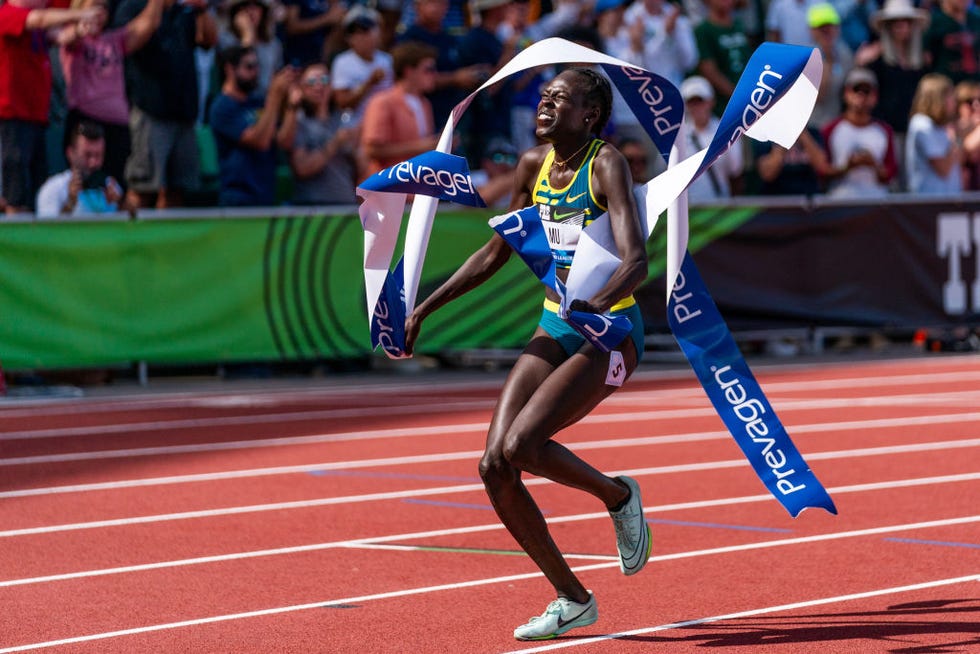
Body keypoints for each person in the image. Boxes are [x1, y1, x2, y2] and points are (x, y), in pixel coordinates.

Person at [403, 67, 650, 641]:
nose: (545, 104)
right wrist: (424, 308)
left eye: (559, 99)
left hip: (611, 329)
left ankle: (618, 495)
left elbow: (637, 258)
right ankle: (572, 597)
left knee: (524, 445)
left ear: (589, 116)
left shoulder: (606, 164)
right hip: (556, 322)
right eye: (543, 97)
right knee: (494, 464)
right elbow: (495, 252)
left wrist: (599, 301)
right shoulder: (532, 167)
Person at [112, 0, 218, 209]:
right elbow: (132, 41)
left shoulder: (185, 11)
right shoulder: (132, 7)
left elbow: (208, 40)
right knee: (143, 188)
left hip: (183, 112)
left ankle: (167, 240)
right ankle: (130, 238)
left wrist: (202, 8)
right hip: (150, 110)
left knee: (178, 188)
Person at [0, 0, 103, 214]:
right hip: (13, 117)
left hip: (35, 117)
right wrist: (79, 15)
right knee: (15, 194)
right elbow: (39, 19)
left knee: (35, 191)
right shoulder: (8, 13)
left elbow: (59, 36)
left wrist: (80, 29)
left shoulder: (35, 25)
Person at [57, 0, 164, 190]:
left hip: (116, 126)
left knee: (116, 189)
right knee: (81, 185)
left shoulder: (114, 39)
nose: (99, 12)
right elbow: (64, 37)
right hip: (85, 121)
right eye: (94, 6)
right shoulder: (72, 36)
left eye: (103, 8)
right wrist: (80, 26)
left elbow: (148, 25)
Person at [208, 44, 300, 206]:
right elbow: (260, 141)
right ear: (230, 69)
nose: (255, 72)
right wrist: (274, 96)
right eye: (249, 67)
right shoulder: (222, 107)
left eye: (257, 66)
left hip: (265, 193)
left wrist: (292, 106)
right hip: (238, 196)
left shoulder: (258, 102)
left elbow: (283, 141)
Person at [854, 0, 928, 169]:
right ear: (888, 27)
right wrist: (860, 62)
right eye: (896, 23)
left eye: (906, 23)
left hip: (913, 130)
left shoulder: (920, 61)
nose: (902, 28)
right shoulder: (876, 59)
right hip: (885, 130)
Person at [359, 41, 440, 178]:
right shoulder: (382, 102)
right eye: (428, 69)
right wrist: (422, 146)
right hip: (388, 186)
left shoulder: (425, 103)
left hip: (416, 182)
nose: (434, 74)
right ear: (409, 71)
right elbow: (371, 150)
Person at [288, 62, 360, 205]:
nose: (319, 86)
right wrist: (335, 143)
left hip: (346, 202)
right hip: (314, 205)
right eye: (312, 81)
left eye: (325, 80)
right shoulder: (298, 122)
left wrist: (356, 148)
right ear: (302, 88)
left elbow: (360, 165)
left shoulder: (343, 119)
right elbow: (302, 168)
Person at [821, 67, 898, 197]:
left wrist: (873, 165)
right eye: (856, 90)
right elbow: (822, 172)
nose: (861, 96)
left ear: (875, 96)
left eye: (867, 91)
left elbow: (891, 173)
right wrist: (847, 167)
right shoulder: (830, 129)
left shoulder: (885, 131)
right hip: (840, 202)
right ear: (846, 93)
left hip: (876, 201)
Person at [36, 120, 134, 217]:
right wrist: (70, 204)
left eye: (98, 155)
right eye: (87, 155)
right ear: (70, 154)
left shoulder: (112, 187)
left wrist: (120, 205)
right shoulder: (53, 189)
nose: (93, 163)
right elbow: (48, 230)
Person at [680, 75, 744, 199]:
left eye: (700, 101)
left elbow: (736, 171)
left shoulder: (726, 131)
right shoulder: (678, 136)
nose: (696, 107)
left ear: (711, 102)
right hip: (688, 209)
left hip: (719, 206)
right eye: (691, 102)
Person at [329, 5, 393, 126]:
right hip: (354, 126)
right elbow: (342, 103)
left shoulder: (387, 60)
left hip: (385, 124)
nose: (360, 37)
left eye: (366, 30)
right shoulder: (342, 62)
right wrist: (369, 83)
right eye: (354, 32)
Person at [906, 72, 962, 194]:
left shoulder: (943, 127)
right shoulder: (921, 124)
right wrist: (955, 139)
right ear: (937, 98)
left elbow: (958, 162)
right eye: (950, 95)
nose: (954, 100)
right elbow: (943, 169)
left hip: (950, 202)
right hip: (929, 204)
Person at [694, 0, 752, 114]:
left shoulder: (739, 25)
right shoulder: (703, 30)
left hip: (748, 97)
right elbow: (709, 71)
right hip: (724, 106)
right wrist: (737, 96)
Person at [218, 0, 282, 95]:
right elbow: (235, 75)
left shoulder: (273, 44)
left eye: (256, 6)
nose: (251, 11)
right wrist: (247, 36)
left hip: (264, 102)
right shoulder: (226, 40)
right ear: (236, 12)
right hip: (238, 102)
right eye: (245, 6)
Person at [807, 2, 854, 129]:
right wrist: (827, 60)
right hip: (813, 126)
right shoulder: (806, 58)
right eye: (822, 28)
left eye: (830, 26)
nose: (827, 31)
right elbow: (818, 97)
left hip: (839, 125)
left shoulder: (845, 54)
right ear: (812, 31)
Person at [923, 0, 980, 84]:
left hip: (975, 85)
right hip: (946, 85)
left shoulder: (976, 19)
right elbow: (927, 57)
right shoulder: (935, 21)